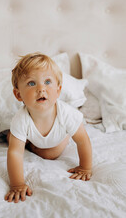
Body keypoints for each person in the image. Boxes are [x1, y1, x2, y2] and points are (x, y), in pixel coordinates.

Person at [5, 52, 92, 203]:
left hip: (57, 137)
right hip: (33, 136)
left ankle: (29, 142)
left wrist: (85, 167)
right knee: (13, 142)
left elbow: (83, 141)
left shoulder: (67, 114)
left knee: (48, 154)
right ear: (18, 95)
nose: (41, 89)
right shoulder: (20, 119)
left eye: (47, 82)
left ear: (58, 90)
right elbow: (14, 154)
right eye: (32, 83)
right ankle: (22, 139)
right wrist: (17, 184)